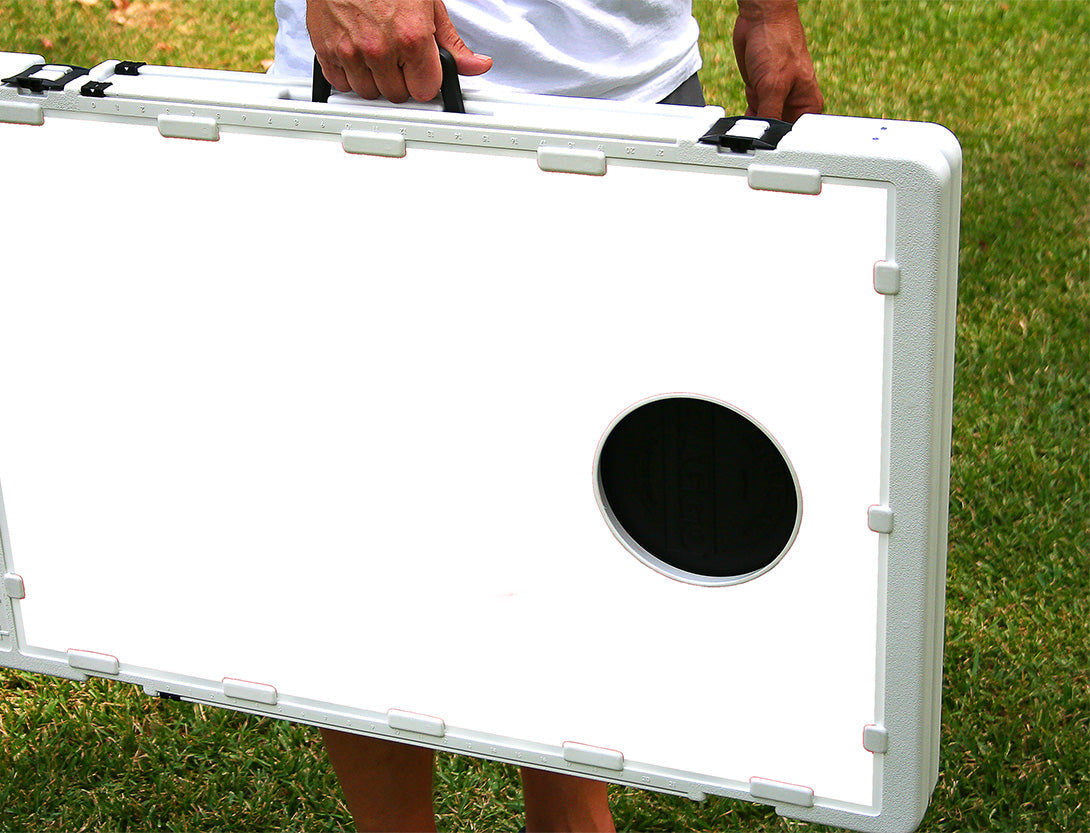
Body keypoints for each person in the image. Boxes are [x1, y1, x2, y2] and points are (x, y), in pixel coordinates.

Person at [267, 3, 824, 830]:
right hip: (378, 85)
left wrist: (769, 10)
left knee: (605, 501)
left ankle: (570, 814)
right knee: (371, 514)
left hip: (632, 88)